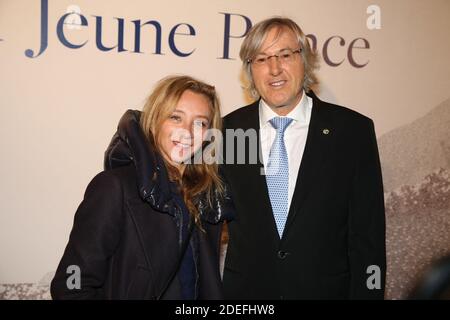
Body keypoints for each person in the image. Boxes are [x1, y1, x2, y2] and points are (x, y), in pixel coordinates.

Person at [221, 17, 386, 299]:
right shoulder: (231, 132)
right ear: (250, 69)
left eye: (285, 55)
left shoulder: (350, 132)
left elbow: (367, 236)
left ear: (304, 61)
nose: (274, 69)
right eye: (261, 59)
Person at [51, 75, 231, 299]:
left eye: (200, 123)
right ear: (155, 122)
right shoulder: (114, 187)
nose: (187, 131)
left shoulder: (205, 197)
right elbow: (71, 281)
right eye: (175, 117)